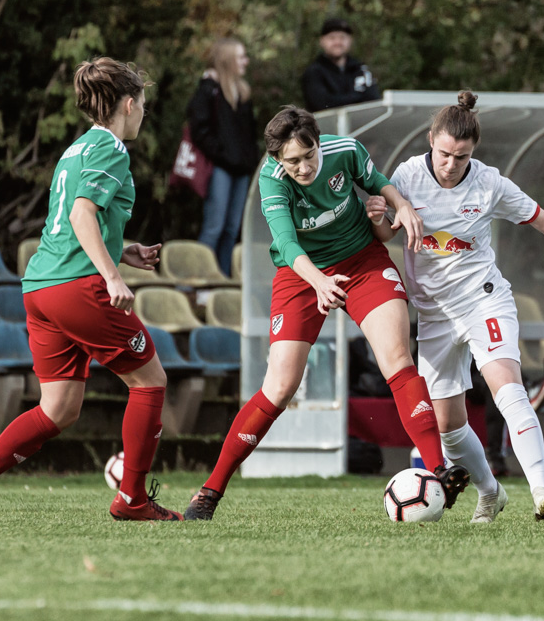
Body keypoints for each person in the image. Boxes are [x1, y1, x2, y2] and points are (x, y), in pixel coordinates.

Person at [183, 105, 461, 520]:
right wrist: (319, 282)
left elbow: (377, 182)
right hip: (301, 274)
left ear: (318, 143)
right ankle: (209, 491)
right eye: (292, 160)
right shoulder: (272, 180)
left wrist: (399, 204)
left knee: (398, 360)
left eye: (308, 155)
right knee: (279, 387)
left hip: (362, 261)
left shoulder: (345, 150)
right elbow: (287, 244)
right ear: (278, 159)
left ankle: (437, 469)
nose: (303, 167)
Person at [370, 92, 544, 520]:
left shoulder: (489, 182)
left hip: (483, 299)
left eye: (461, 156)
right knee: (448, 426)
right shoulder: (406, 176)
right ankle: (490, 492)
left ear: (473, 152)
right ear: (430, 141)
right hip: (435, 313)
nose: (451, 164)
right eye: (444, 154)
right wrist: (377, 215)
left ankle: (541, 492)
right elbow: (384, 233)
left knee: (506, 388)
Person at [0, 60, 179, 523]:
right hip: (77, 287)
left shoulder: (76, 150)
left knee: (60, 408)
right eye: (143, 104)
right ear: (129, 104)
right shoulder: (112, 149)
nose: (144, 113)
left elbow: (74, 220)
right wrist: (111, 276)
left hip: (41, 287)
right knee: (150, 381)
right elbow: (81, 216)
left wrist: (121, 251)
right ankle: (132, 499)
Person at [187, 37, 257, 277]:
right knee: (214, 227)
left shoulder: (243, 92)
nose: (245, 61)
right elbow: (199, 130)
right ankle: (197, 283)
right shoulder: (209, 90)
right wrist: (222, 155)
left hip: (241, 170)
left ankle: (222, 281)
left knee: (232, 229)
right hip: (220, 168)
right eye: (240, 57)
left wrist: (249, 159)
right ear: (227, 60)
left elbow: (250, 133)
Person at [301, 18, 382, 113]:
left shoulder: (360, 70)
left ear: (350, 40)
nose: (337, 43)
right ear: (322, 41)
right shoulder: (314, 72)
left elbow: (374, 102)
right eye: (332, 38)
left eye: (342, 37)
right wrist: (357, 97)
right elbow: (322, 105)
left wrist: (345, 100)